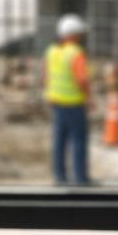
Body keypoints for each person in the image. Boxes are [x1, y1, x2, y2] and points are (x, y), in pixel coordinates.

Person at [45, 13, 91, 186]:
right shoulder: (76, 53)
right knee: (78, 140)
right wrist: (88, 97)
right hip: (73, 103)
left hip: (57, 102)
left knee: (59, 141)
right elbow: (82, 80)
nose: (81, 37)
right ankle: (80, 177)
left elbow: (47, 76)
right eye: (79, 33)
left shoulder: (52, 52)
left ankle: (60, 176)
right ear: (73, 34)